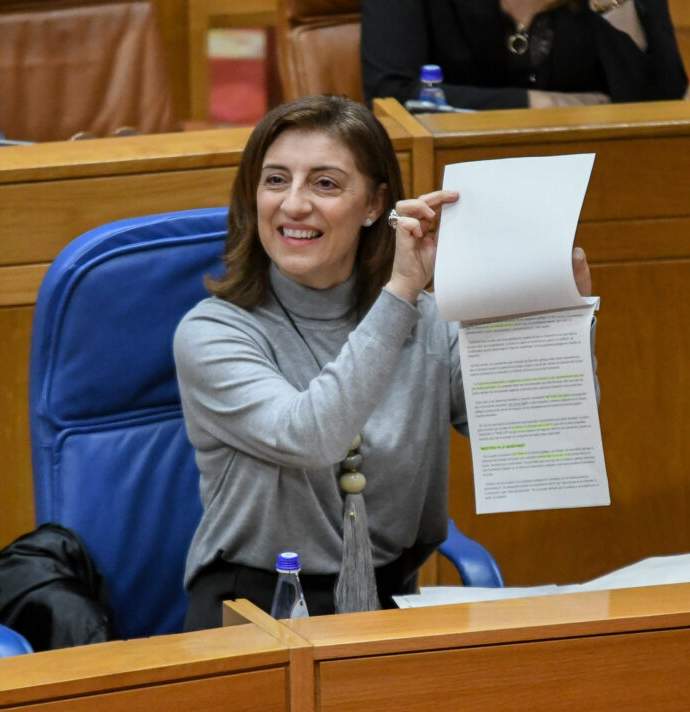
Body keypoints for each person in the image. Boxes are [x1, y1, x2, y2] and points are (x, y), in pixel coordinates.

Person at [174, 94, 593, 631]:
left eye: (325, 184)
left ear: (374, 205)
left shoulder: (426, 320)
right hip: (256, 607)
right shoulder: (212, 332)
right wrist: (401, 292)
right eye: (276, 180)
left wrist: (558, 323)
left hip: (390, 605)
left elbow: (532, 431)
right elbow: (311, 436)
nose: (294, 204)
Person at [362, 0, 688, 110]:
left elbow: (663, 103)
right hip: (452, 180)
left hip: (596, 176)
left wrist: (613, 5)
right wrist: (537, 103)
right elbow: (391, 92)